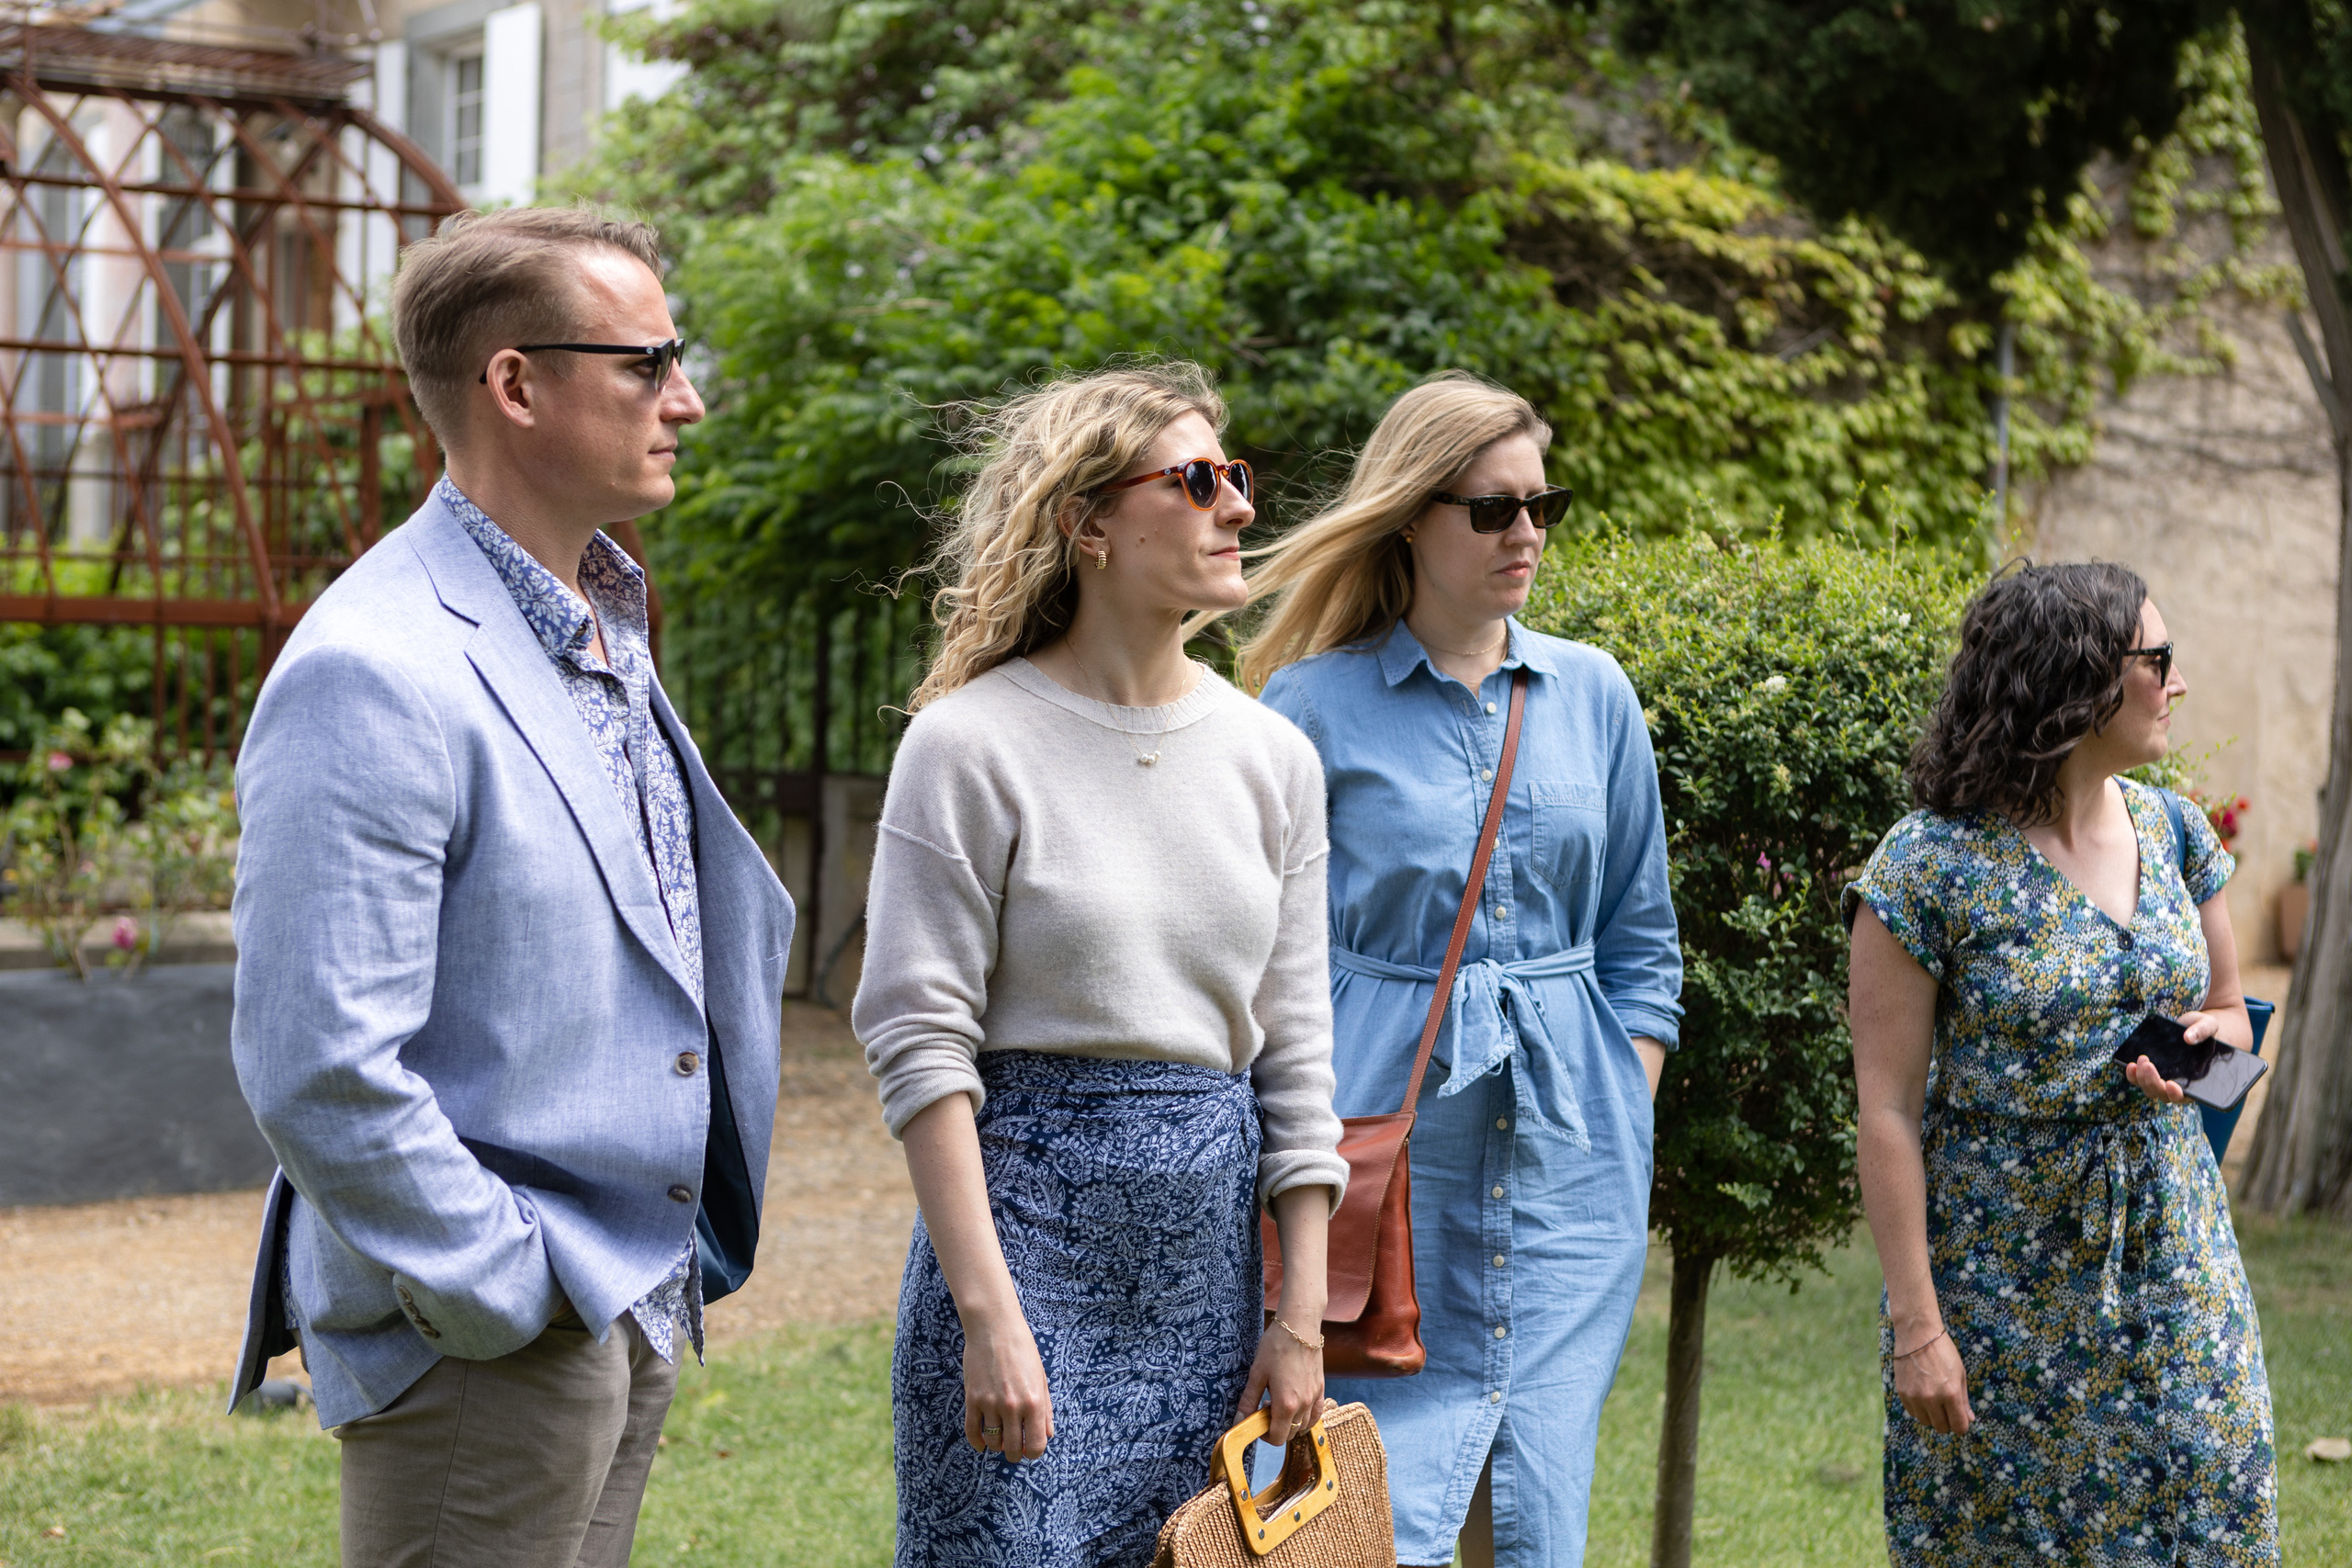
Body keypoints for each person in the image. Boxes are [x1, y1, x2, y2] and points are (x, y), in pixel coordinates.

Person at [226, 206, 794, 1568]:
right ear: (517, 384)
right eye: (646, 363)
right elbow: (318, 1059)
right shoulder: (373, 664)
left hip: (624, 1297)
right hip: (492, 1332)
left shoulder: (594, 619)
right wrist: (505, 1288)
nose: (688, 399)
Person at [854, 361, 1346, 1567]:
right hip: (1017, 1262)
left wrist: (1301, 1323)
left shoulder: (1272, 756)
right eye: (1195, 480)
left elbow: (1300, 1061)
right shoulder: (967, 744)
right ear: (1086, 523)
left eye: (1236, 477)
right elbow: (921, 1048)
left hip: (1205, 1289)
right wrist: (988, 1317)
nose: (1237, 505)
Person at [1240, 372, 1683, 1568]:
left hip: (1570, 1186)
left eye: (1544, 505)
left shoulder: (1594, 693)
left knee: (1537, 1503)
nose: (1526, 533)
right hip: (1386, 1170)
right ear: (1412, 518)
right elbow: (1267, 970)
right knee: (1379, 1512)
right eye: (1493, 509)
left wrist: (1618, 1104)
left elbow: (1644, 945)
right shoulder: (1308, 707)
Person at [1845, 561, 2277, 1565]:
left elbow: (2228, 1012)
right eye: (2156, 659)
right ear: (2073, 680)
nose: (2177, 683)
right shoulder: (1928, 866)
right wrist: (1918, 1328)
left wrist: (2209, 1049)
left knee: (2208, 1521)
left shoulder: (2172, 830)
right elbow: (1886, 1115)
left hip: (2180, 1268)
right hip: (2007, 1288)